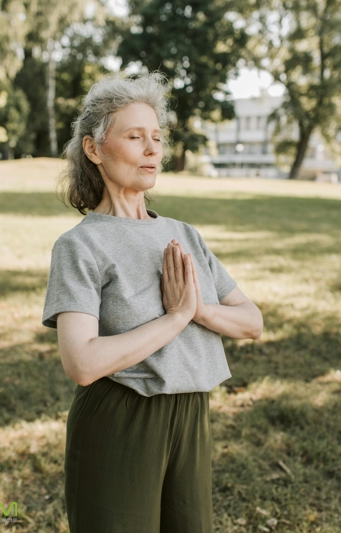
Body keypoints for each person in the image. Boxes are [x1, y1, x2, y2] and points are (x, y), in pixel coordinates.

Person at [41, 72, 263, 533]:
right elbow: (82, 362)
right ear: (94, 149)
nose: (152, 150)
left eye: (157, 138)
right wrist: (178, 316)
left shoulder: (184, 234)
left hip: (192, 416)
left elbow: (252, 321)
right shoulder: (80, 246)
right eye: (135, 136)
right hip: (121, 418)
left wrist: (200, 310)